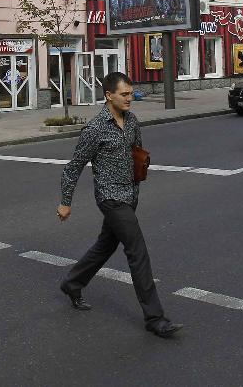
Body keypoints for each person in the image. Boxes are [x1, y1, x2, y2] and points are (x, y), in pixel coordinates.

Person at [56, 72, 183, 338]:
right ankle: (155, 318)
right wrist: (65, 202)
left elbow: (137, 151)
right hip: (110, 197)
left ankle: (72, 283)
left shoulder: (133, 121)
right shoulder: (95, 129)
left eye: (131, 93)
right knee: (137, 250)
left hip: (130, 195)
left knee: (106, 245)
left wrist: (140, 171)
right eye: (124, 94)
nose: (130, 98)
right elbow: (73, 167)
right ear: (109, 96)